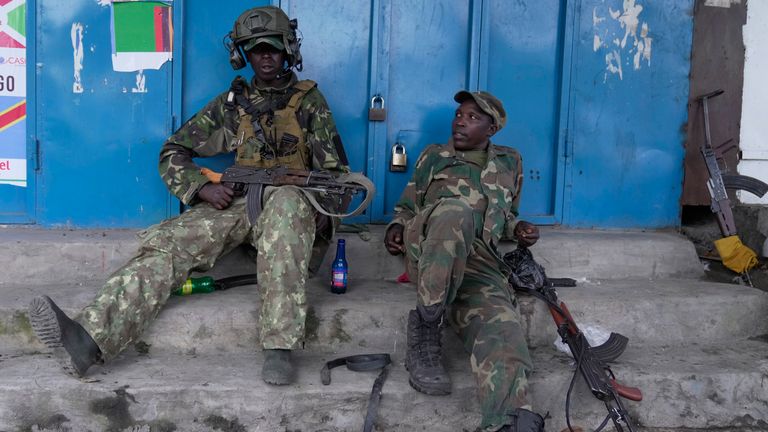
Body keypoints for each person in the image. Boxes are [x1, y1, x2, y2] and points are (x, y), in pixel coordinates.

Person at [28, 6, 350, 386]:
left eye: (273, 47)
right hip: (240, 203)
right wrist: (201, 186)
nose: (265, 56)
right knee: (169, 244)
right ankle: (88, 339)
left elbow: (338, 180)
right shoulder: (234, 104)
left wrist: (315, 206)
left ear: (287, 50)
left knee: (285, 206)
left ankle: (279, 347)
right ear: (243, 53)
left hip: (291, 209)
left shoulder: (309, 102)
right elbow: (173, 151)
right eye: (256, 48)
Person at [384, 91, 545, 432]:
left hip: (479, 262)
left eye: (473, 117)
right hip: (431, 252)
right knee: (456, 211)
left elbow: (506, 215)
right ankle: (427, 331)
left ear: (492, 129)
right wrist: (396, 227)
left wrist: (520, 228)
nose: (461, 121)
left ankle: (508, 419)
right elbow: (406, 208)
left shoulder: (510, 162)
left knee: (502, 329)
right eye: (459, 114)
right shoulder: (432, 156)